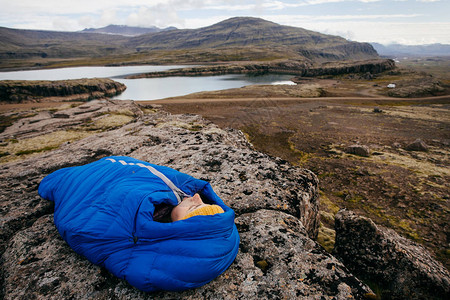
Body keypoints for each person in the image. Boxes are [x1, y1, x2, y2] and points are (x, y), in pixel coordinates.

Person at [38, 156, 239, 292]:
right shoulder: (181, 207)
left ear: (180, 228)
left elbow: (82, 225)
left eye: (195, 207)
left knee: (63, 181)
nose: (196, 196)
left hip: (90, 179)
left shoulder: (137, 246)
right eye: (202, 200)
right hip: (116, 168)